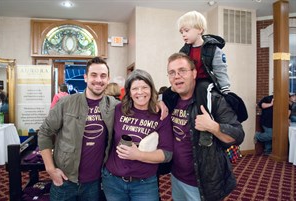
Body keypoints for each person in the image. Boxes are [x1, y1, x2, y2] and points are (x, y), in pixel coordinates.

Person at [163, 53, 244, 201]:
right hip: (176, 177)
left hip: (203, 183)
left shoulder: (213, 99)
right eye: (172, 72)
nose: (177, 76)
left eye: (182, 70)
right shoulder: (171, 101)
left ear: (194, 73)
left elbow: (238, 135)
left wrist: (213, 127)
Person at [38, 57, 119, 201]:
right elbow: (45, 132)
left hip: (94, 182)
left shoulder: (113, 105)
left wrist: (158, 104)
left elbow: (139, 104)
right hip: (64, 180)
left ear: (108, 79)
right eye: (93, 75)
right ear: (86, 77)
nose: (98, 80)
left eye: (103, 76)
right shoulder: (66, 103)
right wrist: (50, 169)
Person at [102, 69, 173, 201]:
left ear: (152, 89)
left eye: (144, 87)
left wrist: (138, 155)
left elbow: (167, 154)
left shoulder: (161, 115)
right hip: (113, 181)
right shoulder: (118, 109)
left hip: (144, 184)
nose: (140, 92)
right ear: (128, 91)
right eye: (135, 88)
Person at [171, 10, 231, 147]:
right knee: (170, 91)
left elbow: (220, 69)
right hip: (189, 82)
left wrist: (225, 89)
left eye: (186, 30)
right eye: (181, 32)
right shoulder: (184, 50)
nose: (183, 35)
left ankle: (206, 131)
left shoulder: (213, 49)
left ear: (199, 29)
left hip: (206, 81)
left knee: (202, 88)